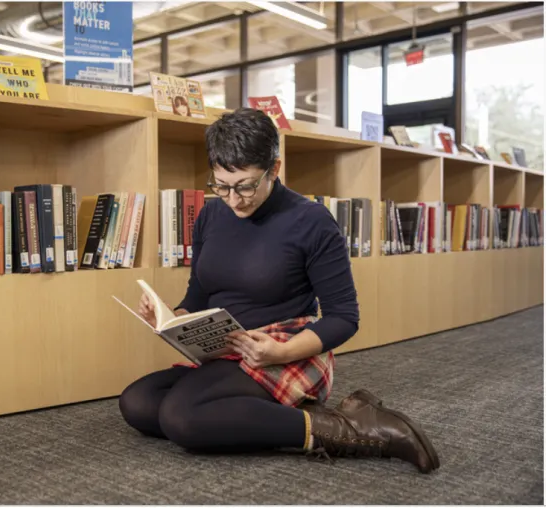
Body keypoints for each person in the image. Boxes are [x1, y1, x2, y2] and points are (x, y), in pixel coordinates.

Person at [118, 107, 440, 473]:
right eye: (221, 185)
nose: (234, 199)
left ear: (275, 168)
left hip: (287, 349)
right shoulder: (210, 215)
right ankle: (271, 415)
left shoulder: (311, 221)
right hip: (226, 350)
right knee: (138, 402)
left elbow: (343, 317)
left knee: (181, 417)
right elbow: (199, 294)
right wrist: (171, 319)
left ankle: (350, 429)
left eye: (246, 186)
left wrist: (281, 351)